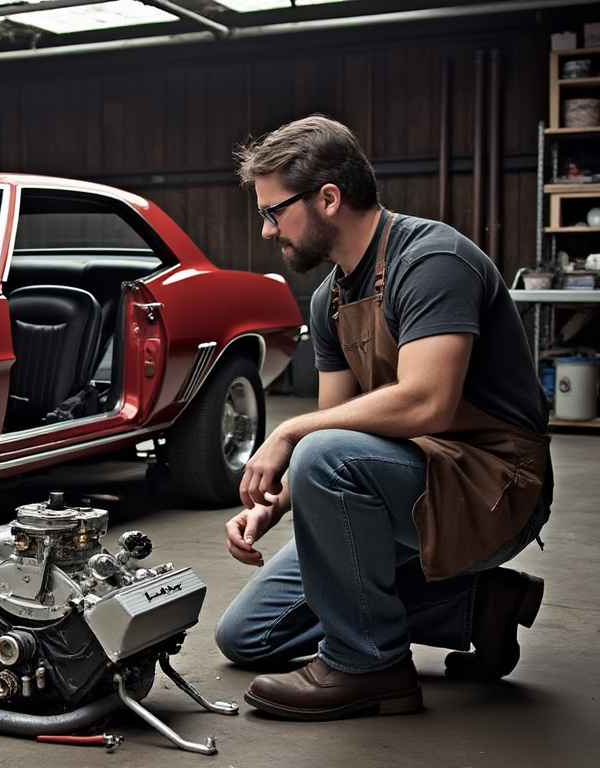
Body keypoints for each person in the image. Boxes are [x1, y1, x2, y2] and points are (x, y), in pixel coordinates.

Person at [215, 115, 552, 721]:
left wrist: (288, 432)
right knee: (248, 637)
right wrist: (276, 503)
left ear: (328, 198)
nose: (266, 231)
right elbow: (340, 428)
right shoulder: (330, 300)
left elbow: (428, 401)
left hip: (495, 485)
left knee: (317, 450)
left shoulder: (432, 259)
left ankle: (368, 666)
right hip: (409, 477)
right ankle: (478, 606)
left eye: (274, 212)